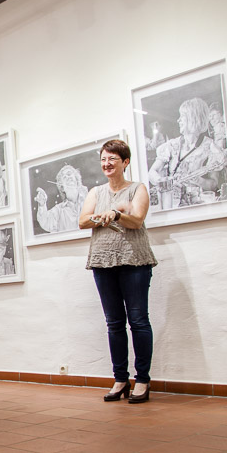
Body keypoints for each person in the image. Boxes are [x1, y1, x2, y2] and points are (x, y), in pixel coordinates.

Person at [79, 139, 158, 404]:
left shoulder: (137, 189)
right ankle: (120, 379)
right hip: (102, 262)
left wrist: (116, 214)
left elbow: (136, 220)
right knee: (114, 324)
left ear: (125, 162)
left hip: (134, 261)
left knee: (138, 320)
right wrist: (105, 214)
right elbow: (82, 220)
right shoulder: (95, 191)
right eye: (103, 159)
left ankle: (143, 380)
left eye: (112, 159)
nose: (107, 163)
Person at [148, 97, 227, 207]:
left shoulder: (210, 146)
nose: (178, 120)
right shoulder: (172, 145)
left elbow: (213, 184)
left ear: (193, 118)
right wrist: (165, 182)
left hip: (196, 204)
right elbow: (152, 172)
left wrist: (199, 181)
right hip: (172, 203)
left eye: (182, 117)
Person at [34, 164, 88, 233]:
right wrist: (42, 204)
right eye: (64, 178)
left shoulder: (89, 200)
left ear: (76, 179)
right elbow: (45, 221)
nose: (68, 177)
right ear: (62, 188)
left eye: (69, 174)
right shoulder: (58, 211)